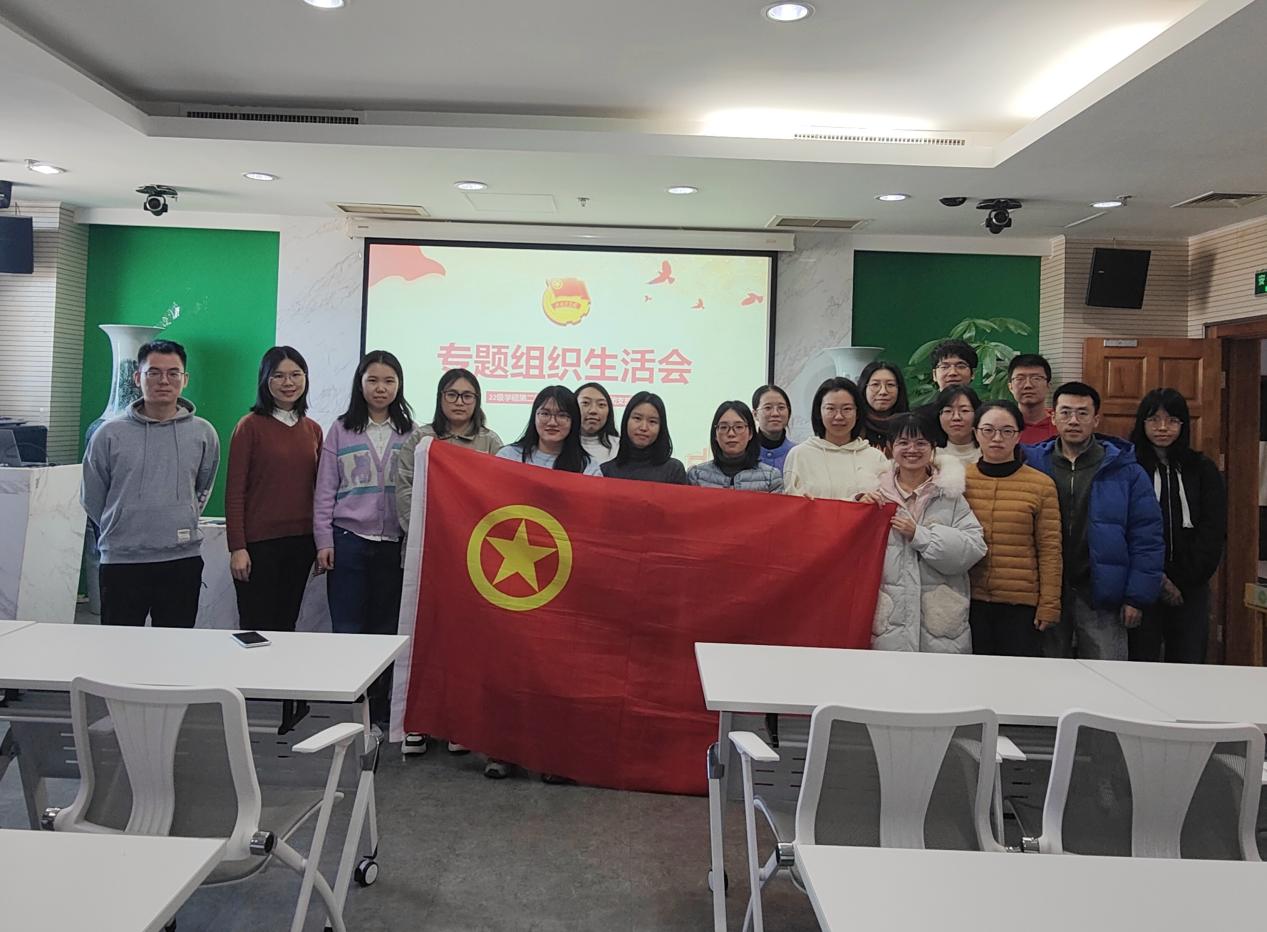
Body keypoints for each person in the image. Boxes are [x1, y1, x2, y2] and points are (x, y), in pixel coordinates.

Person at [395, 367, 503, 757]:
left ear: (477, 401)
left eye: (467, 395)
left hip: (473, 562)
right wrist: (434, 534)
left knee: (466, 644)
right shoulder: (421, 440)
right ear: (440, 398)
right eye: (452, 394)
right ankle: (419, 723)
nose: (459, 402)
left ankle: (459, 722)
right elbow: (405, 492)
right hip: (428, 555)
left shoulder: (491, 443)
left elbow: (500, 499)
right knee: (425, 639)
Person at [81, 339, 219, 628]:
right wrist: (121, 524)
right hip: (122, 561)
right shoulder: (108, 434)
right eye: (153, 372)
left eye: (173, 373)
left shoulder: (204, 433)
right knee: (119, 647)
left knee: (174, 647)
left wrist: (181, 513)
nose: (163, 381)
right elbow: (92, 495)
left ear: (185, 379)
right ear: (137, 377)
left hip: (181, 559)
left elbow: (202, 488)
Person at [1023, 382, 1164, 660]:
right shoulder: (1033, 463)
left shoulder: (1125, 470)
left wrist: (1136, 596)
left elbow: (1147, 537)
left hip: (1103, 594)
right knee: (1047, 675)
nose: (1073, 420)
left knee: (1107, 676)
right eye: (1066, 412)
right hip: (1047, 592)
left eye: (1082, 413)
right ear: (1053, 417)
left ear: (1096, 419)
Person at [314, 350, 414, 731]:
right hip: (348, 540)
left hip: (393, 544)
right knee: (348, 626)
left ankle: (381, 707)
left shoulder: (411, 432)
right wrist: (324, 541)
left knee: (386, 629)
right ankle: (351, 706)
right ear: (360, 383)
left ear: (399, 385)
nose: (380, 388)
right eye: (373, 380)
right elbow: (325, 490)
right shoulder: (341, 429)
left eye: (389, 381)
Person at [860, 413, 986, 653]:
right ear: (890, 447)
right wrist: (858, 507)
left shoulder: (949, 494)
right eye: (903, 442)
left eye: (921, 443)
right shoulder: (873, 494)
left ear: (933, 447)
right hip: (889, 622)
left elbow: (974, 547)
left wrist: (920, 535)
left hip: (940, 622)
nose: (912, 450)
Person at [226, 346, 323, 633]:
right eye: (278, 376)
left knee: (286, 625)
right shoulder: (249, 427)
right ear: (265, 380)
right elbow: (234, 492)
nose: (288, 382)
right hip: (258, 546)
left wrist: (321, 542)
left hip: (301, 543)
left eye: (296, 374)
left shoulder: (313, 429)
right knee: (255, 627)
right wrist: (237, 547)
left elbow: (319, 490)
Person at [1127, 389, 1226, 663]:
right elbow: (1122, 527)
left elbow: (1213, 530)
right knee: (1140, 662)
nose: (1162, 427)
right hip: (1141, 583)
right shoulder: (1130, 468)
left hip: (1190, 587)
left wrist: (1181, 581)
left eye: (1172, 420)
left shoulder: (1202, 469)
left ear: (1183, 425)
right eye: (1154, 419)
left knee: (1188, 661)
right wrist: (1157, 578)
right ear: (1142, 423)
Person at [964, 400, 1062, 657]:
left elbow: (1050, 549)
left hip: (1021, 604)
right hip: (969, 599)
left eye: (1007, 431)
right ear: (975, 433)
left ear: (1019, 435)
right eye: (988, 430)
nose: (997, 438)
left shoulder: (1041, 485)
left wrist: (1049, 604)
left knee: (1018, 676)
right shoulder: (960, 481)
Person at [781, 377, 887, 500]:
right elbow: (791, 505)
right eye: (830, 409)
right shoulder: (799, 455)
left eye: (847, 409)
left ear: (857, 413)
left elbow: (885, 503)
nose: (839, 416)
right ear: (819, 412)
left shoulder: (875, 457)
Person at [498, 385, 602, 477]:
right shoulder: (509, 456)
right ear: (534, 417)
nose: (552, 422)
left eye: (562, 415)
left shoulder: (588, 467)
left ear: (574, 421)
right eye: (545, 414)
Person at [687, 401, 783, 491]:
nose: (731, 434)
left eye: (739, 427)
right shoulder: (696, 475)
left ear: (750, 433)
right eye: (724, 427)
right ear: (715, 434)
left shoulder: (770, 477)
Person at [600, 391, 687, 484]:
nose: (643, 427)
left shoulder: (674, 470)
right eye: (637, 418)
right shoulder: (606, 471)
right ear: (626, 421)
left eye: (652, 421)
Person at [859, 361, 909, 449]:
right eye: (875, 384)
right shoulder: (853, 426)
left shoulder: (911, 425)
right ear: (864, 388)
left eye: (890, 385)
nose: (883, 392)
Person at [1008, 353, 1057, 444]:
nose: (1028, 385)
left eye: (1036, 378)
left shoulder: (1061, 424)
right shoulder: (1002, 426)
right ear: (1010, 387)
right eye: (1020, 378)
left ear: (1048, 386)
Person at [751, 384, 795, 472]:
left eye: (781, 407)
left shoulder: (798, 453)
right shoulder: (743, 454)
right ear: (755, 414)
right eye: (768, 408)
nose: (775, 413)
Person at [934, 384, 982, 466]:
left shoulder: (989, 454)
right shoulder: (930, 457)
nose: (956, 417)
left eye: (964, 410)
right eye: (948, 411)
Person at [576, 381, 620, 466]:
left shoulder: (620, 447)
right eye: (585, 403)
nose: (593, 411)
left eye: (601, 404)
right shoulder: (559, 446)